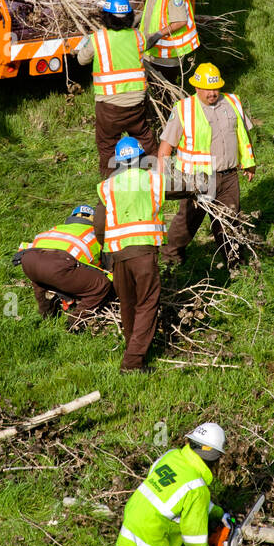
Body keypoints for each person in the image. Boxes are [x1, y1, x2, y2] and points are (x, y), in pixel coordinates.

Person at [100, 423, 232, 546]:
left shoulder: (171, 456)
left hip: (131, 520)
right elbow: (193, 540)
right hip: (151, 538)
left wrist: (218, 514)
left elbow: (177, 495)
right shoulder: (198, 489)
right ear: (215, 456)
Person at [157, 62, 256, 270]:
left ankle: (234, 263)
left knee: (230, 219)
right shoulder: (183, 109)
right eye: (208, 89)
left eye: (216, 88)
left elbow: (242, 135)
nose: (212, 93)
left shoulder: (233, 102)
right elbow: (166, 145)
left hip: (228, 176)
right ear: (197, 88)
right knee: (188, 221)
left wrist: (249, 162)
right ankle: (171, 256)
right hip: (197, 179)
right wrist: (162, 176)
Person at [95, 136, 165, 372]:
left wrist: (105, 250)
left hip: (117, 255)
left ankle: (133, 352)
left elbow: (99, 222)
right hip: (143, 251)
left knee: (128, 304)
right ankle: (133, 361)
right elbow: (182, 186)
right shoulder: (152, 179)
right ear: (141, 157)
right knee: (147, 304)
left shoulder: (107, 186)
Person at [75, 0, 160, 177]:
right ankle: (158, 173)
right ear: (128, 17)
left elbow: (82, 60)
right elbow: (147, 42)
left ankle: (110, 182)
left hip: (109, 106)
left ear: (105, 17)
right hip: (136, 103)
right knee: (144, 136)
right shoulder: (137, 37)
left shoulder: (98, 38)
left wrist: (82, 46)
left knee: (107, 145)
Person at [14, 205, 114, 317]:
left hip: (28, 260)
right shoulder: (97, 234)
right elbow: (105, 268)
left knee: (40, 278)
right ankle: (75, 322)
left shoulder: (56, 228)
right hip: (61, 265)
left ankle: (46, 313)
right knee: (102, 285)